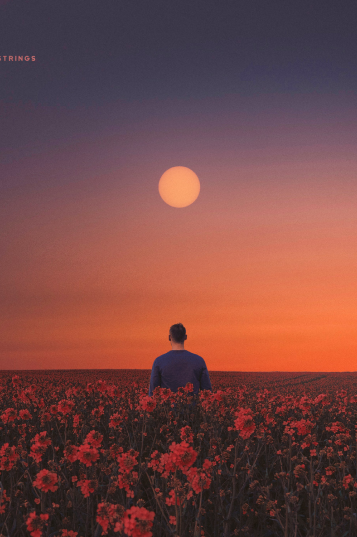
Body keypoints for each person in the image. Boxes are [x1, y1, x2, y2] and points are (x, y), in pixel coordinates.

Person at [149, 323, 212, 396]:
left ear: (169, 337)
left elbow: (153, 392)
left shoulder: (159, 361)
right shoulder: (199, 360)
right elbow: (207, 392)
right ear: (185, 337)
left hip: (167, 406)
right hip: (192, 407)